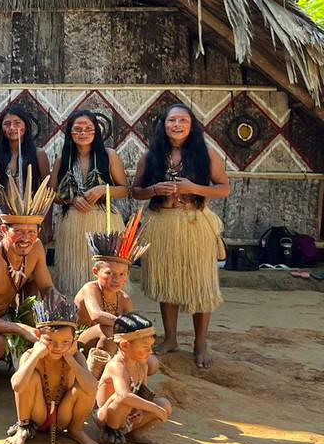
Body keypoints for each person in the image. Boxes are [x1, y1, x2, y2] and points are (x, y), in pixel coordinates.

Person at [133, 103, 230, 369]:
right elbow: (136, 191)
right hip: (162, 223)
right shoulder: (151, 155)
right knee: (168, 279)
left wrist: (193, 188)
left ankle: (200, 344)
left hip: (194, 222)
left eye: (183, 120)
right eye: (172, 120)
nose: (177, 125)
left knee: (201, 283)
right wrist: (154, 190)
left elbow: (224, 188)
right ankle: (171, 339)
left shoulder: (207, 154)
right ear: (163, 125)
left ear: (192, 125)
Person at [0, 173, 59, 388]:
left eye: (31, 232)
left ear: (38, 232)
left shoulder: (36, 248)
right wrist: (21, 329)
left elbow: (46, 287)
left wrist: (61, 311)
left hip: (7, 314)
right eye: (19, 232)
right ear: (4, 230)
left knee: (38, 295)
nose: (26, 238)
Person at [4, 293, 100, 444]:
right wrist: (35, 355)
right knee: (31, 377)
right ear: (38, 336)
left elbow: (92, 389)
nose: (58, 347)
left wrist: (69, 358)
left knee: (83, 386)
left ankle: (76, 430)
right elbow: (17, 386)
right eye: (50, 341)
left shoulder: (76, 357)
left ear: (73, 340)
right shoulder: (30, 356)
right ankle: (23, 427)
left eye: (65, 342)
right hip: (37, 414)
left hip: (64, 416)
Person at [51, 111, 127, 299]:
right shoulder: (63, 160)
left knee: (105, 277)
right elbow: (51, 193)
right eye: (77, 129)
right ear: (70, 132)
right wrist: (71, 199)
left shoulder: (109, 155)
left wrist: (103, 189)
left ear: (96, 131)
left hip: (103, 222)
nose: (83, 133)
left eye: (88, 129)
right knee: (74, 278)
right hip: (72, 224)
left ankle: (106, 312)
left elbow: (125, 190)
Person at [77, 210, 151, 376]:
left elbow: (132, 330)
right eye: (109, 273)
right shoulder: (90, 288)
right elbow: (96, 315)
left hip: (112, 342)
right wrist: (130, 326)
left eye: (121, 274)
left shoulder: (124, 298)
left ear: (127, 277)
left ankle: (120, 378)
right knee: (107, 331)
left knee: (150, 363)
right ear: (95, 272)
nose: (116, 279)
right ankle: (95, 379)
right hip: (79, 344)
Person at [95, 312, 173, 444]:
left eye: (151, 346)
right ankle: (108, 439)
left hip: (129, 415)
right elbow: (124, 396)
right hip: (107, 417)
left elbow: (142, 392)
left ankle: (135, 434)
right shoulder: (116, 366)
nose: (150, 351)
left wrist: (140, 410)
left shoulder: (142, 365)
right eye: (145, 347)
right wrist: (154, 408)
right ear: (125, 345)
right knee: (123, 399)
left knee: (164, 405)